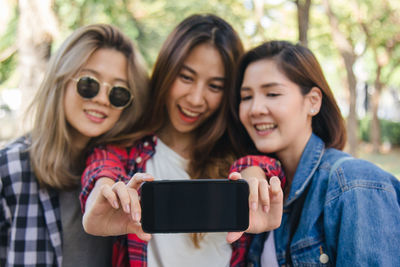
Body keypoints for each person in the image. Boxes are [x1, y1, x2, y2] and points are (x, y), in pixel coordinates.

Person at [80, 14, 285, 267]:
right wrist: (98, 202)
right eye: (186, 78)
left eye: (215, 86)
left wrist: (254, 174)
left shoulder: (239, 162)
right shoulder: (125, 153)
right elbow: (103, 171)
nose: (196, 99)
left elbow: (262, 166)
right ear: (167, 70)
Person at [228, 40, 400, 266]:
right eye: (246, 97)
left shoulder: (355, 183)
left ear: (313, 102)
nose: (255, 109)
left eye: (272, 93)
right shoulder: (260, 187)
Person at [0, 24, 149, 266]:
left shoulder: (130, 174)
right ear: (61, 80)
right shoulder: (9, 168)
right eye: (89, 83)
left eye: (118, 92)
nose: (102, 99)